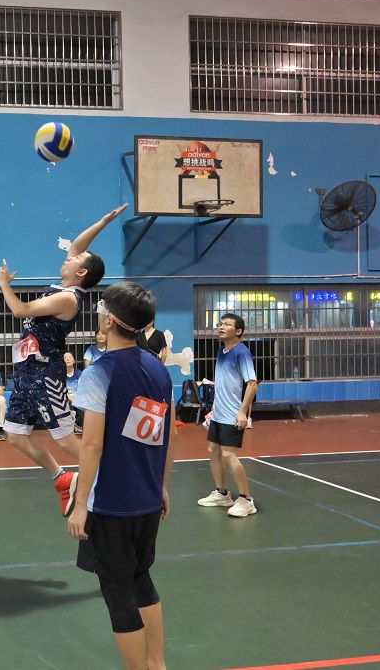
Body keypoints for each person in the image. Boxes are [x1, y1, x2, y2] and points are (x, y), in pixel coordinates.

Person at [67, 282, 175, 670]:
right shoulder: (158, 369)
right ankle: (157, 663)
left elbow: (91, 444)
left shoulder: (99, 372)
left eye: (101, 307)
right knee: (141, 578)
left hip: (111, 505)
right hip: (147, 501)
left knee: (117, 592)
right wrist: (162, 486)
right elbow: (169, 434)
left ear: (110, 320)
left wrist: (81, 504)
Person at [0, 205, 125, 515]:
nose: (69, 257)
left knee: (66, 440)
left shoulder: (69, 298)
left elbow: (21, 310)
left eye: (75, 260)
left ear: (81, 273)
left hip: (46, 374)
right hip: (26, 372)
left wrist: (4, 284)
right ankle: (62, 478)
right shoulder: (64, 286)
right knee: (15, 435)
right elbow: (78, 245)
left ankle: (116, 480)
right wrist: (103, 221)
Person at [197, 312, 259, 518]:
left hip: (233, 414)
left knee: (228, 455)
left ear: (238, 331)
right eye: (220, 324)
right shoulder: (222, 351)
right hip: (219, 413)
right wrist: (214, 409)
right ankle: (222, 494)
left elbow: (252, 384)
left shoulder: (242, 353)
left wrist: (242, 412)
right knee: (213, 450)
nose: (221, 327)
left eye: (227, 324)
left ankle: (246, 500)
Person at [64, 351, 83, 434]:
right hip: (67, 399)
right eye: (65, 358)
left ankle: (81, 425)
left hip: (78, 398)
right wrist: (72, 399)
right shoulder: (60, 375)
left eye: (70, 357)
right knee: (67, 403)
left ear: (74, 360)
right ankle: (72, 426)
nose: (67, 359)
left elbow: (83, 389)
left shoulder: (80, 374)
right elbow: (62, 390)